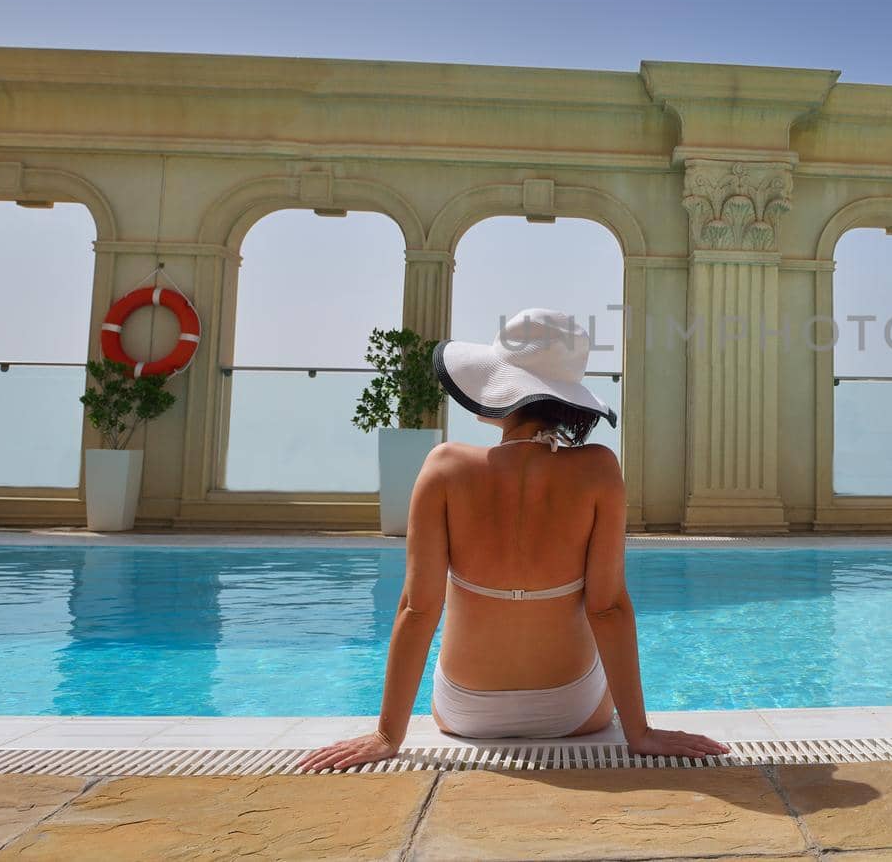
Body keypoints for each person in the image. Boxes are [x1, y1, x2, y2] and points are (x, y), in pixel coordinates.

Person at [300, 308, 729, 771]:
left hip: (466, 711)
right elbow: (608, 608)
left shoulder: (443, 467)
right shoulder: (598, 470)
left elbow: (417, 608)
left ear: (499, 386)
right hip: (573, 710)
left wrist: (388, 734)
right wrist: (639, 733)